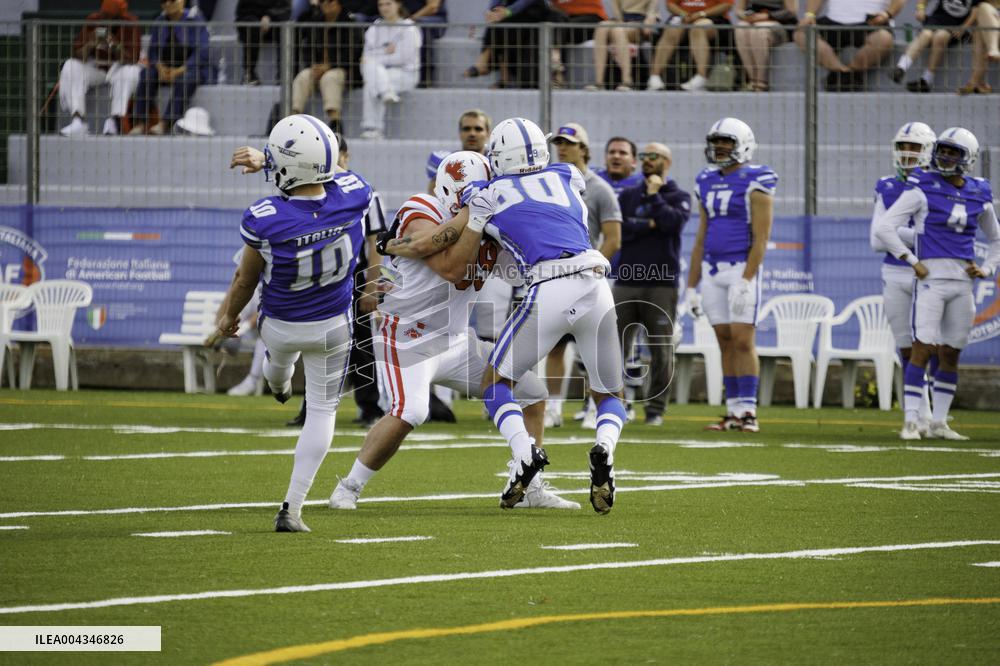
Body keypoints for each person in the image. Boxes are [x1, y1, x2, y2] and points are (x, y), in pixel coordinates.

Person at [382, 118, 628, 515]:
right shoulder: (570, 174)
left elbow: (438, 239)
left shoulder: (487, 191)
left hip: (549, 283)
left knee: (495, 383)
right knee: (610, 394)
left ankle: (525, 453)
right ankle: (605, 449)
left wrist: (393, 244)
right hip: (597, 282)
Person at [329, 151, 579, 511]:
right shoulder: (423, 207)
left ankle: (530, 485)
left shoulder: (487, 227)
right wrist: (475, 216)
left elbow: (522, 266)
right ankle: (349, 487)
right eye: (473, 195)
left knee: (533, 392)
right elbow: (451, 269)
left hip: (457, 341)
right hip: (407, 336)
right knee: (410, 411)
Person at [215, 114, 374, 532]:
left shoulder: (265, 216)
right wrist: (273, 160)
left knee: (278, 366)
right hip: (333, 326)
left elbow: (244, 279)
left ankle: (279, 381)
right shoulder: (356, 195)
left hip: (281, 325)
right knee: (322, 412)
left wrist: (230, 318)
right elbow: (331, 170)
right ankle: (293, 508)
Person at [875, 128, 999, 440]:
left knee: (951, 353)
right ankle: (911, 421)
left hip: (962, 283)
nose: (945, 157)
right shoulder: (922, 186)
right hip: (930, 280)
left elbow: (996, 238)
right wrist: (910, 259)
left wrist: (987, 268)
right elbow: (886, 227)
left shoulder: (979, 192)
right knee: (922, 349)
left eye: (953, 152)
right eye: (942, 150)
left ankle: (939, 422)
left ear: (967, 158)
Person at [285, 132, 387, 427]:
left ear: (345, 156)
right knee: (317, 341)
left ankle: (369, 406)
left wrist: (370, 286)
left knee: (362, 344)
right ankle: (311, 408)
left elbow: (374, 242)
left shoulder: (365, 192)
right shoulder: (310, 194)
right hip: (322, 278)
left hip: (352, 277)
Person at [686, 118, 777, 433]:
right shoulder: (705, 180)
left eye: (727, 141)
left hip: (741, 267)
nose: (720, 147)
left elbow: (762, 238)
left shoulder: (757, 179)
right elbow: (700, 235)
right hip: (712, 270)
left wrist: (747, 278)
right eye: (717, 142)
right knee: (724, 341)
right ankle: (733, 410)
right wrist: (691, 287)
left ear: (743, 144)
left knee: (742, 340)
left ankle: (748, 411)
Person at [543, 122, 622, 428]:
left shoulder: (599, 188)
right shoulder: (550, 185)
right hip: (557, 276)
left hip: (589, 278)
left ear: (584, 149)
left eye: (569, 143)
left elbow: (613, 236)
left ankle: (594, 406)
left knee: (593, 348)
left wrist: (595, 265)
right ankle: (553, 407)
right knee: (555, 346)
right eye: (559, 143)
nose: (562, 148)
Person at [615, 142, 692, 426]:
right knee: (615, 346)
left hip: (662, 283)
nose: (647, 160)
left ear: (667, 162)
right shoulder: (627, 195)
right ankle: (616, 404)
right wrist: (649, 225)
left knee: (660, 349)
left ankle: (655, 410)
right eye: (644, 156)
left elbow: (672, 224)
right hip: (626, 280)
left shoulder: (678, 195)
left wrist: (655, 197)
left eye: (653, 156)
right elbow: (622, 230)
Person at [868, 122, 937, 432]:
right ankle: (919, 415)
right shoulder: (886, 185)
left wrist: (898, 233)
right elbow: (876, 240)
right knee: (906, 346)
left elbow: (890, 234)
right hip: (895, 272)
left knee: (934, 345)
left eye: (915, 147)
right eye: (903, 146)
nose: (907, 153)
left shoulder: (938, 185)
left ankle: (934, 414)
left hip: (929, 274)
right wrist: (921, 236)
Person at [57, 0, 141, 137]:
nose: (105, 19)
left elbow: (132, 59)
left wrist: (114, 45)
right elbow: (77, 54)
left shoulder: (131, 22)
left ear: (118, 17)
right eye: (104, 15)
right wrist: (90, 44)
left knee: (129, 72)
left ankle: (115, 120)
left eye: (110, 16)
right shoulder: (93, 19)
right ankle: (79, 121)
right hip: (96, 68)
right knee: (69, 65)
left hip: (118, 68)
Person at [129, 0, 210, 136]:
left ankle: (165, 123)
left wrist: (179, 70)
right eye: (163, 1)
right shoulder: (160, 21)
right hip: (165, 68)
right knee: (146, 74)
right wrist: (160, 67)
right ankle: (140, 123)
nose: (168, 4)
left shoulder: (195, 19)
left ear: (182, 2)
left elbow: (202, 52)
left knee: (187, 78)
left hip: (189, 68)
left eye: (172, 0)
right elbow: (153, 51)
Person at [794, 0, 905, 92]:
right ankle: (843, 73)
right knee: (802, 34)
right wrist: (810, 14)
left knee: (884, 39)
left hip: (872, 21)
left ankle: (848, 73)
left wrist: (887, 14)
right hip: (833, 20)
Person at [291, 0, 363, 135]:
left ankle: (335, 122)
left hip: (343, 70)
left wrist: (330, 66)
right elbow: (307, 48)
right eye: (323, 2)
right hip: (319, 68)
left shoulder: (350, 24)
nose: (326, 5)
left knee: (330, 78)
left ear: (339, 4)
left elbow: (353, 53)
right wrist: (313, 66)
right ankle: (292, 119)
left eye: (330, 1)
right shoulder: (316, 22)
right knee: (303, 76)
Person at [359, 0, 422, 140]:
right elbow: (366, 56)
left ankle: (372, 128)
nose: (384, 8)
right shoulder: (375, 27)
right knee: (373, 75)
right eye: (381, 5)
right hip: (377, 72)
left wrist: (379, 55)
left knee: (372, 80)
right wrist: (386, 52)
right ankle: (385, 92)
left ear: (398, 4)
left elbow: (404, 58)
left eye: (388, 4)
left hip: (405, 73)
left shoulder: (409, 27)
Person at [890, 0, 979, 93]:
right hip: (937, 19)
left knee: (940, 37)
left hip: (956, 26)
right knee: (925, 35)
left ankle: (926, 79)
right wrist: (920, 9)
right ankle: (901, 68)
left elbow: (976, 10)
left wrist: (964, 27)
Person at [647, 0, 734, 92]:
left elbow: (727, 5)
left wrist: (701, 14)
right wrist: (683, 14)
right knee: (671, 31)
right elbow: (670, 4)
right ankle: (655, 76)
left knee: (698, 29)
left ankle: (701, 77)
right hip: (683, 16)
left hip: (712, 18)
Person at [464, 0, 552, 89]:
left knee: (503, 23)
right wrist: (491, 11)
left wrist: (507, 12)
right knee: (498, 22)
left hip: (533, 13)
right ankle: (494, 70)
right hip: (512, 14)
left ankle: (487, 65)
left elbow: (525, 2)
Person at [589, 0, 659, 91]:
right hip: (622, 20)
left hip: (641, 22)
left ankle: (627, 80)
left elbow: (652, 10)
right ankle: (599, 82)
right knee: (601, 27)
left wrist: (649, 21)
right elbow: (616, 10)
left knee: (618, 30)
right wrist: (620, 21)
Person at [733, 0, 798, 91]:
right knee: (741, 28)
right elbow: (738, 10)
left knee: (760, 30)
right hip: (752, 21)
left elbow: (791, 11)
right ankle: (752, 80)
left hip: (777, 23)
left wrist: (768, 16)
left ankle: (761, 82)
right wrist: (746, 15)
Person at [425, 110, 492, 193]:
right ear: (460, 132)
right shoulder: (444, 161)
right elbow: (434, 196)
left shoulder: (495, 162)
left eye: (478, 129)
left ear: (488, 133)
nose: (472, 133)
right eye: (466, 129)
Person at [549, 0, 609, 89]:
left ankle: (557, 69)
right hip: (565, 20)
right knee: (558, 25)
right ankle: (557, 66)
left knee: (562, 28)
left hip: (592, 18)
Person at [236, 0, 291, 86]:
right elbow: (243, 10)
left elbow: (285, 8)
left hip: (274, 20)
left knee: (286, 29)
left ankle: (283, 76)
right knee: (251, 25)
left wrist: (269, 16)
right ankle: (249, 74)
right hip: (252, 18)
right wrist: (259, 19)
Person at [958, 0, 1000, 94]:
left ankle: (975, 81)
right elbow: (976, 10)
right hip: (991, 28)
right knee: (983, 9)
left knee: (980, 25)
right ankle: (979, 83)